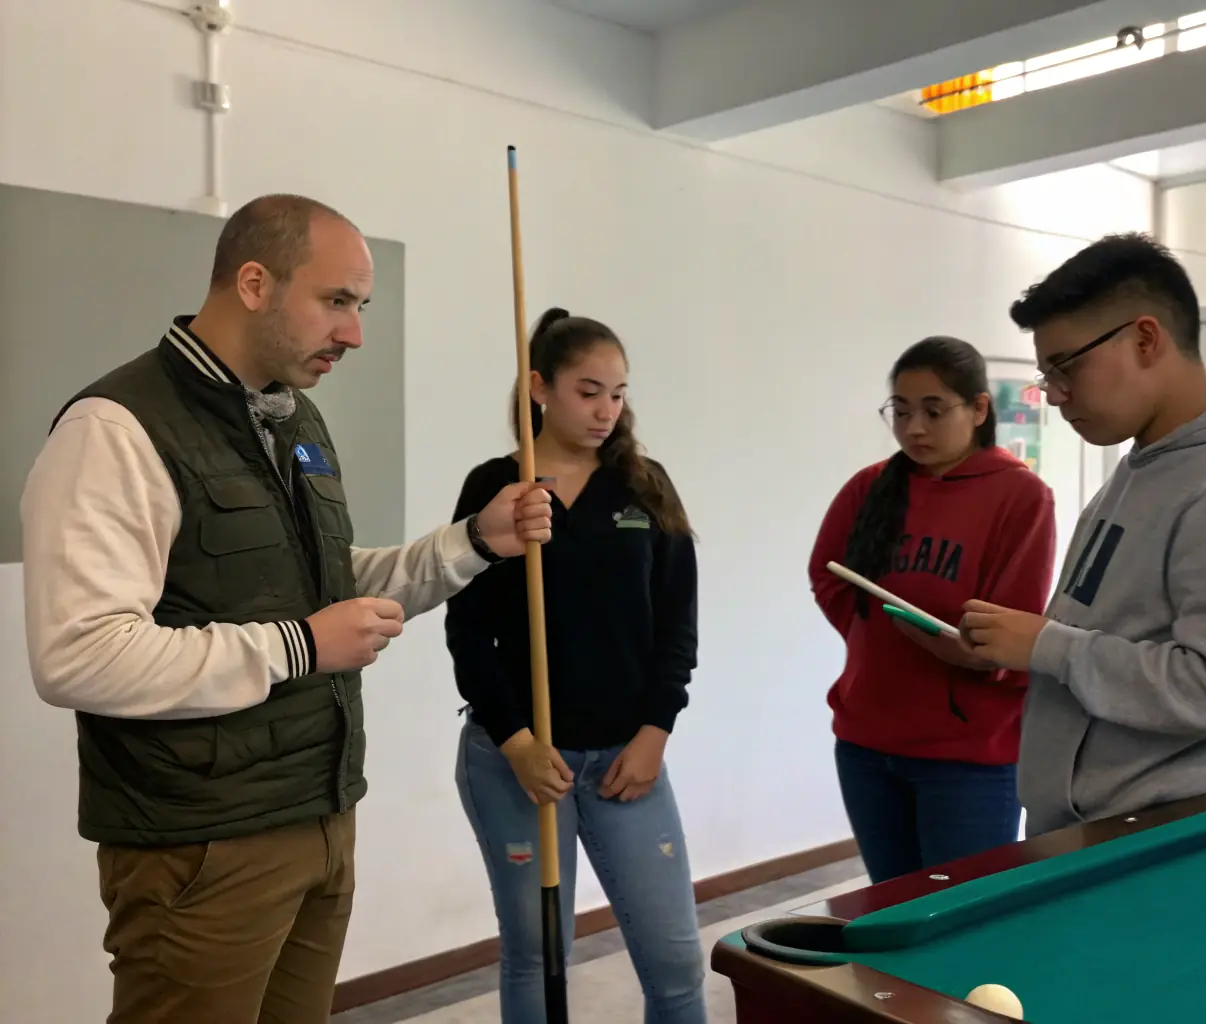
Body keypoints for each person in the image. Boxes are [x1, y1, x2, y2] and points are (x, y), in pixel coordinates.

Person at [20, 194, 553, 1024]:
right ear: (255, 282)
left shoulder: (292, 416)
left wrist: (471, 544)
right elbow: (80, 655)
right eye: (337, 302)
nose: (355, 333)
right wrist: (299, 646)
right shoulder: (114, 428)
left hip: (320, 813)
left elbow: (324, 584)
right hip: (200, 844)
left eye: (361, 306)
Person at [961, 232, 1206, 836]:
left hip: (1155, 840)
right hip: (1089, 826)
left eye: (1066, 367)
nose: (1054, 395)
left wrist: (1047, 646)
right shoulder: (1146, 464)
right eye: (1046, 373)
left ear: (1145, 339)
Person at [445, 308, 706, 1024]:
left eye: (617, 393)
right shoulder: (500, 488)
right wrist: (518, 743)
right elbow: (466, 632)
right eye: (588, 390)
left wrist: (655, 732)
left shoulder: (644, 487)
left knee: (678, 962)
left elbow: (676, 629)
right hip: (519, 762)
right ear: (540, 387)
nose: (605, 410)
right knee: (537, 957)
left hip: (627, 761)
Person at [808, 337, 1056, 884]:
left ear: (979, 410)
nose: (914, 428)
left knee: (959, 921)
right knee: (892, 909)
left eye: (934, 411)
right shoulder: (870, 487)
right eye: (900, 411)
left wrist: (950, 647)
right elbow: (828, 576)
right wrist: (877, 636)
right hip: (867, 745)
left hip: (969, 758)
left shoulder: (1021, 496)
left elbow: (1010, 625)